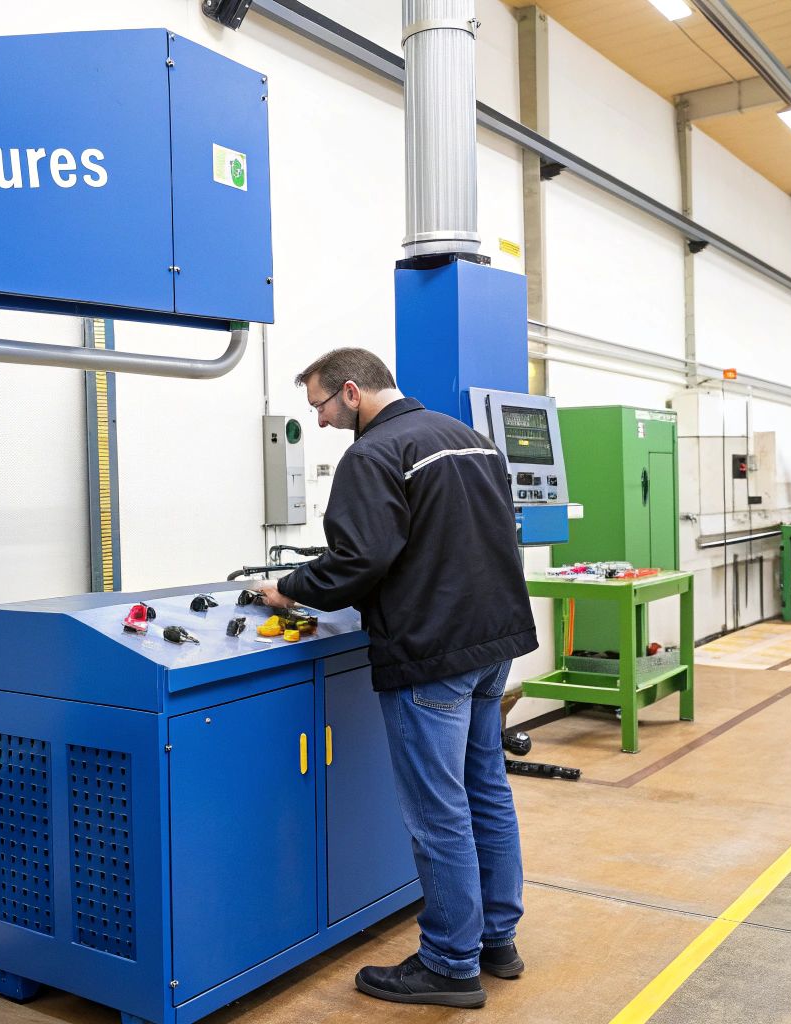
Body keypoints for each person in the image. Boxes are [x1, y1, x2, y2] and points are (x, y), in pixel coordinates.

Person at [253, 346, 536, 1009]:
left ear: (351, 392)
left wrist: (289, 589)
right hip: (493, 643)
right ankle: (496, 938)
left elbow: (361, 560)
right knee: (485, 791)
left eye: (320, 405)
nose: (319, 422)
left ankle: (448, 963)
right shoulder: (470, 440)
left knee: (438, 811)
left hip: (432, 652)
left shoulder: (374, 454)